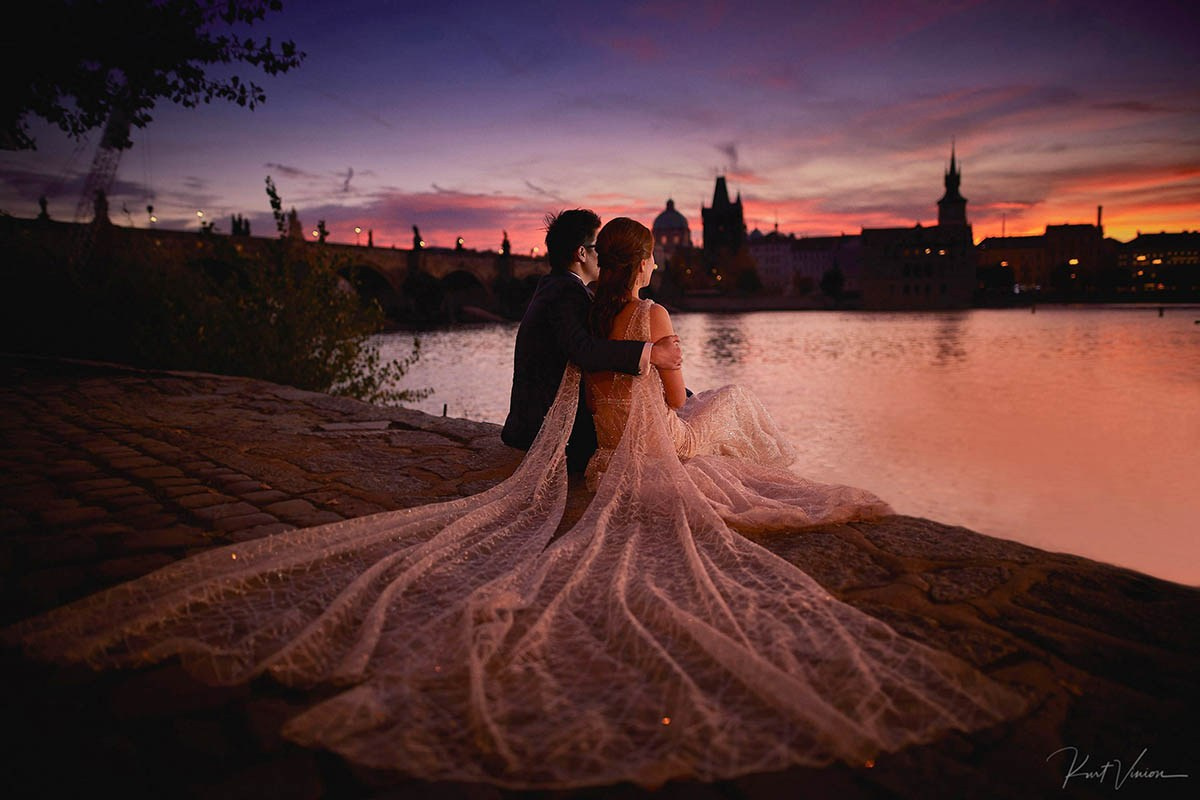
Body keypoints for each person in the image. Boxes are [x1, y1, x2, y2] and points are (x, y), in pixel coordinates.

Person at [3, 218, 1028, 791]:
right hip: (649, 439)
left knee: (711, 411)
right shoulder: (641, 312)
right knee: (734, 403)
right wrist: (672, 377)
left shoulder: (579, 302)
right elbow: (668, 399)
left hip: (600, 451)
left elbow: (589, 382)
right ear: (644, 263)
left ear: (598, 262)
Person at [501, 209, 681, 473]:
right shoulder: (565, 294)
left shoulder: (557, 287)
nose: (604, 256)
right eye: (598, 248)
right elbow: (584, 351)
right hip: (551, 434)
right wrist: (652, 353)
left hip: (540, 422)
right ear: (581, 253)